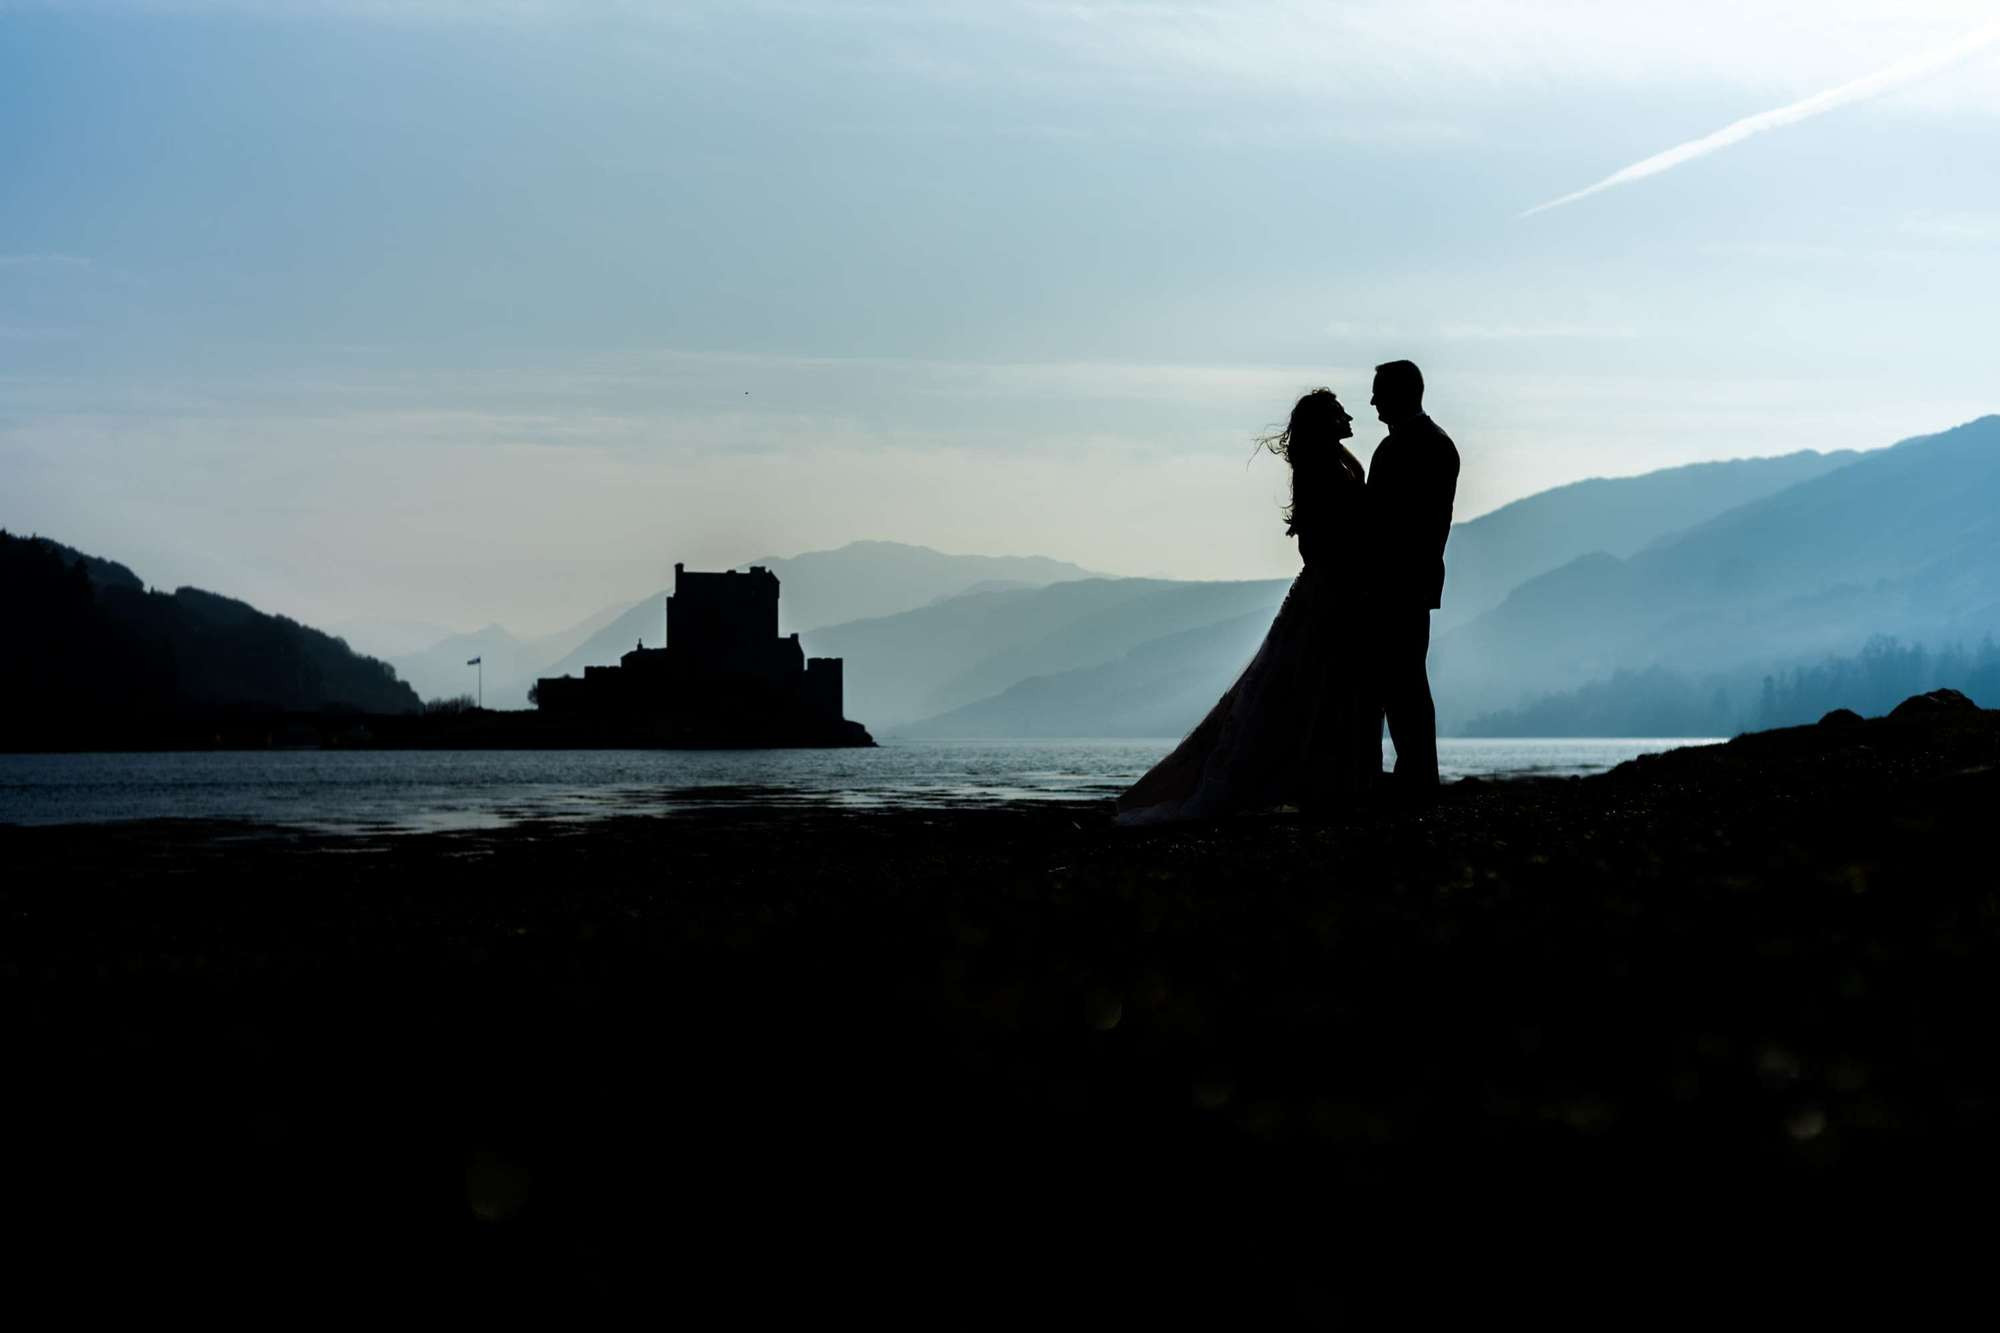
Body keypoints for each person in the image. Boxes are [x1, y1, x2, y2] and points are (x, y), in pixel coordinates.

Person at [1115, 388, 1378, 824]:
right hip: (1329, 593)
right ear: (1324, 424)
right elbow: (1317, 543)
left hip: (1333, 589)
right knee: (1307, 688)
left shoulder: (1339, 465)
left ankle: (1330, 782)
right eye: (1338, 413)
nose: (1349, 416)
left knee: (1317, 690)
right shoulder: (1324, 471)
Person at [1365, 360, 1458, 797]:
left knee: (1401, 683)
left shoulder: (1412, 446)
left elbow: (1388, 523)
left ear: (1401, 393)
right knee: (1402, 682)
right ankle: (1415, 776)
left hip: (1397, 581)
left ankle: (1416, 779)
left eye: (1378, 392)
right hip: (1411, 581)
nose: (1371, 401)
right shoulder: (1431, 443)